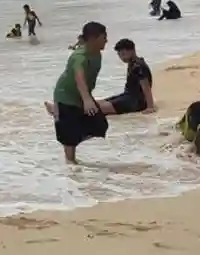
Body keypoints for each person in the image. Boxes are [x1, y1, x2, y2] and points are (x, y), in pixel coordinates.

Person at [49, 21, 110, 164]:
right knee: (69, 137)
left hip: (82, 96)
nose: (106, 40)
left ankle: (56, 112)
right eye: (103, 37)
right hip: (66, 96)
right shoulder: (79, 56)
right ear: (93, 39)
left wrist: (86, 98)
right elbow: (79, 77)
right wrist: (87, 99)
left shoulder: (97, 54)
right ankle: (71, 165)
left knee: (100, 126)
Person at [96, 39, 155, 115]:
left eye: (123, 54)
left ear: (132, 51)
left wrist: (150, 107)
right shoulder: (133, 63)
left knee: (97, 109)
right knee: (96, 103)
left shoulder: (139, 66)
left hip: (136, 101)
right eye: (119, 55)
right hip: (128, 96)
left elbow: (146, 87)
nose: (121, 58)